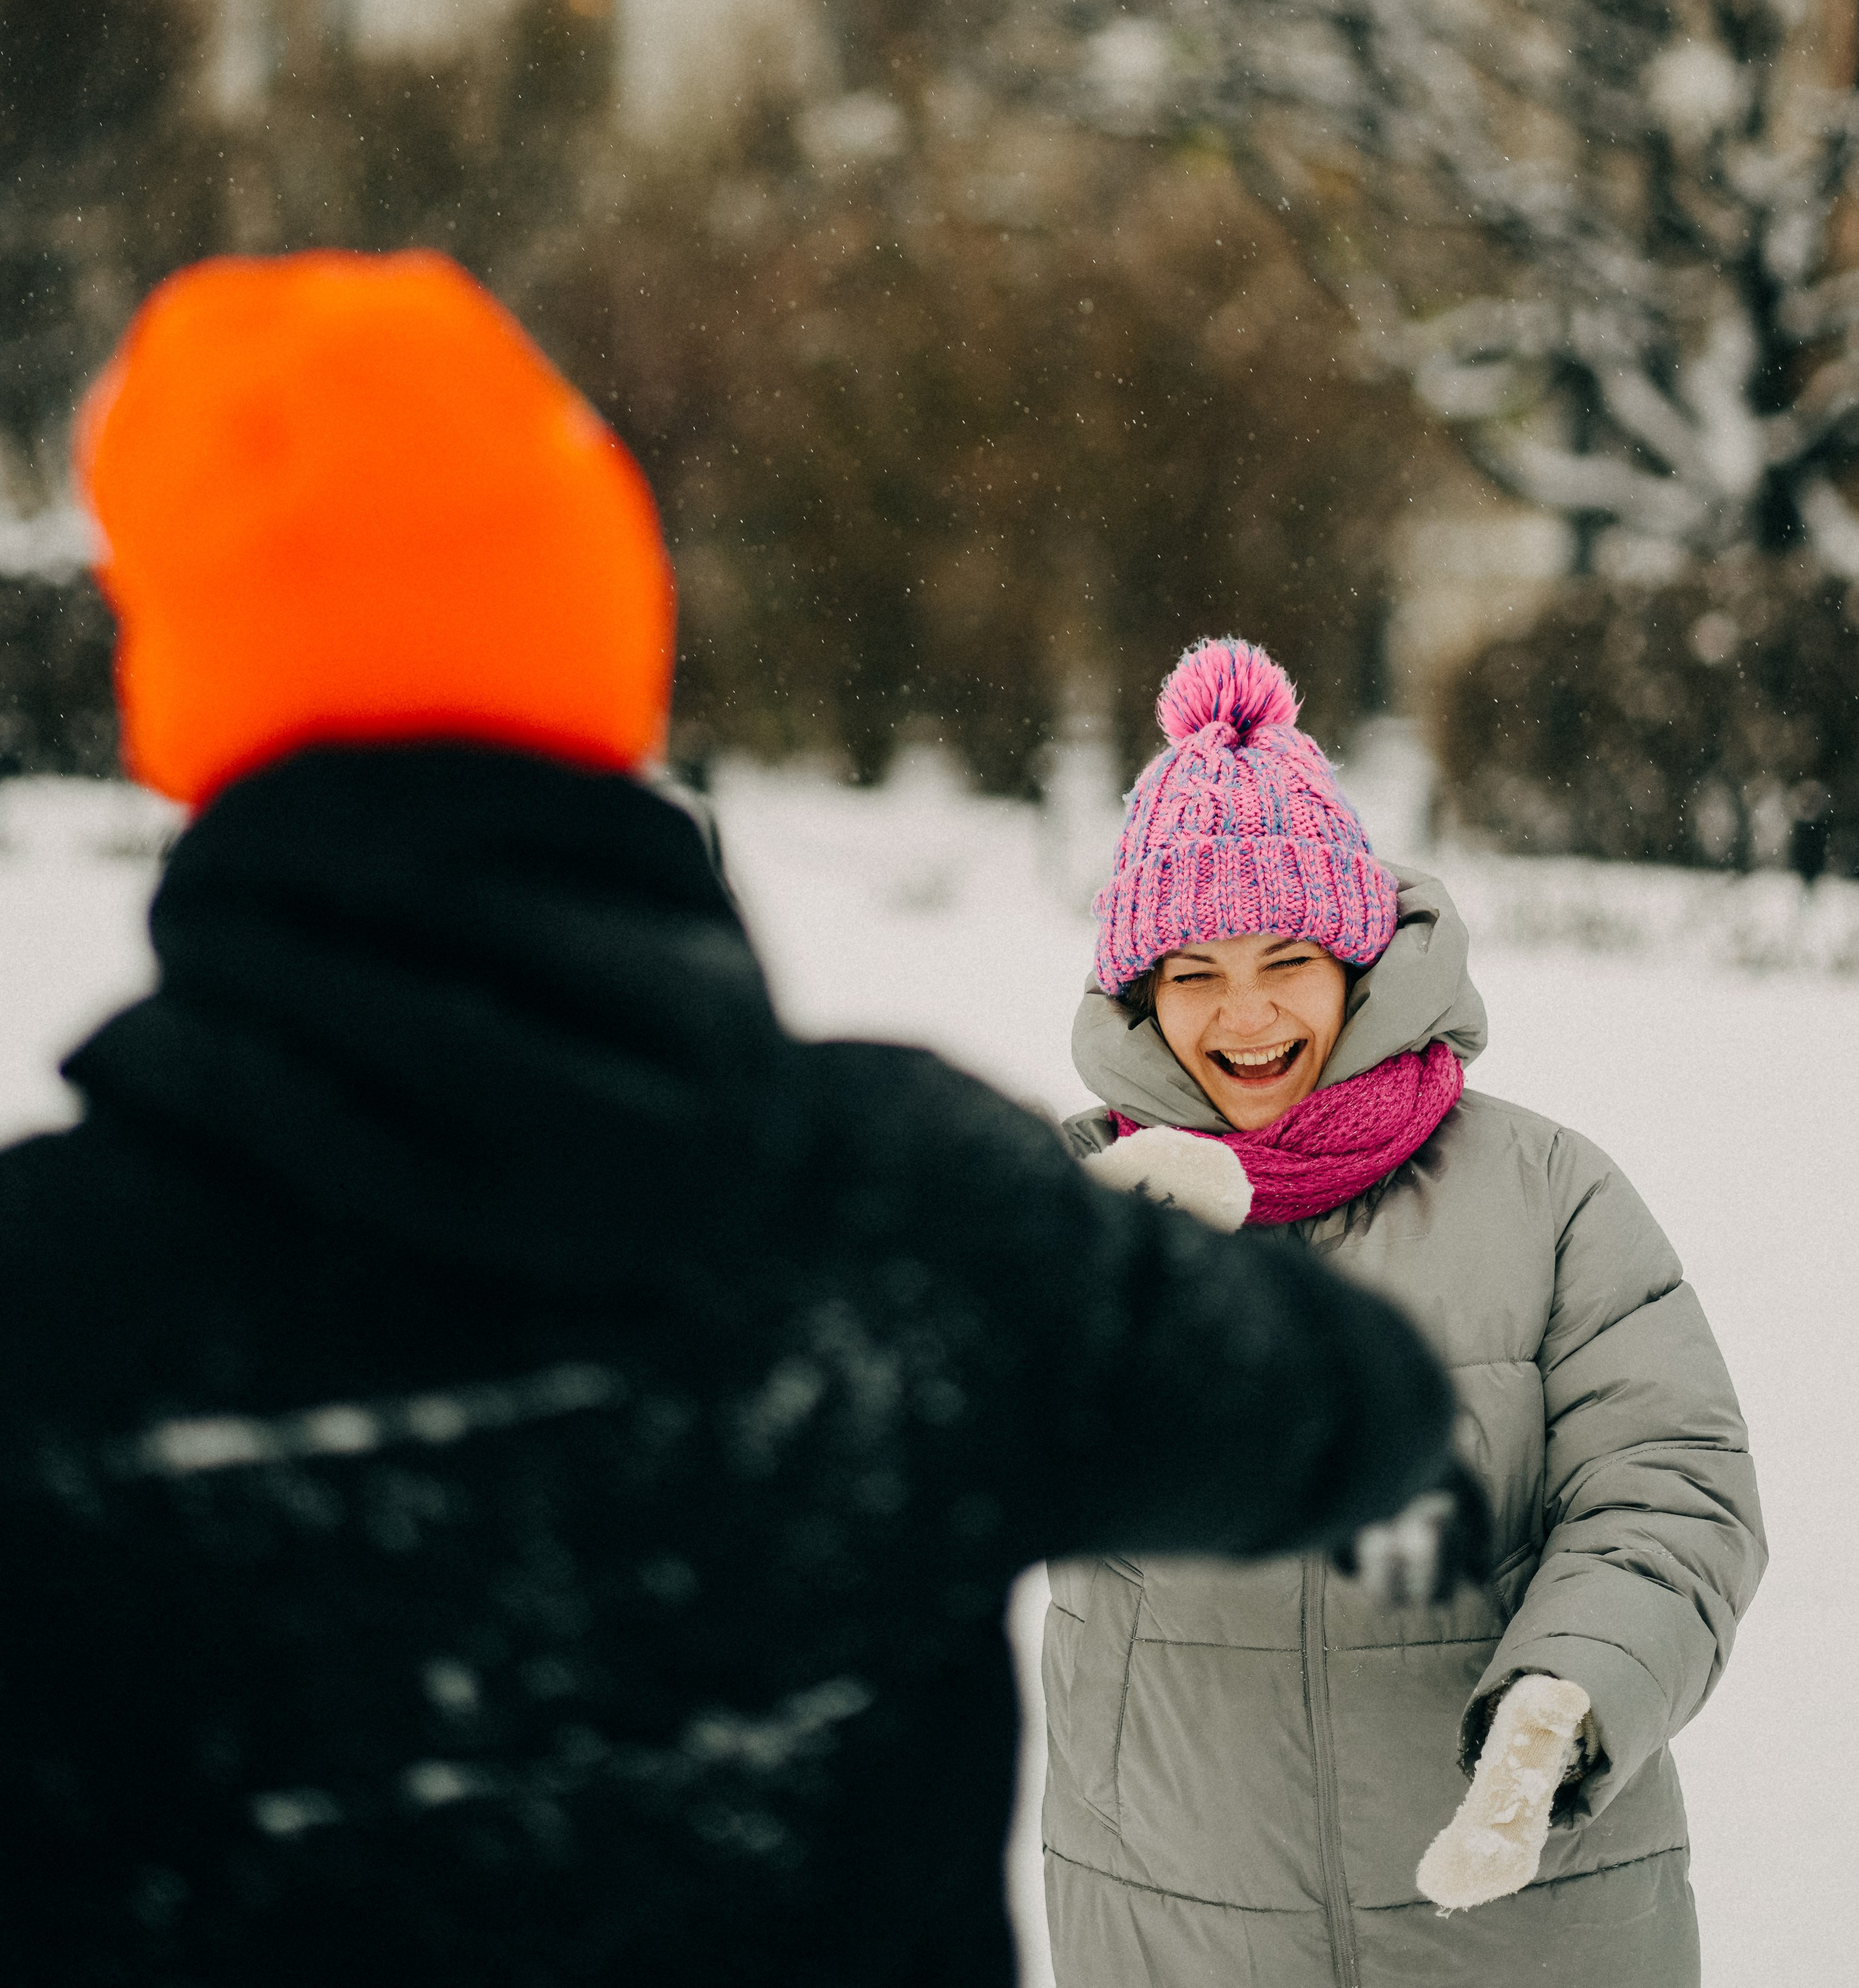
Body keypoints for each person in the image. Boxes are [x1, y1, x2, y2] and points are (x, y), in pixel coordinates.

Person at [0, 253, 1470, 1988]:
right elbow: (1355, 1411)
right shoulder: (921, 1227)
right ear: (608, 654)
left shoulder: (50, 1325)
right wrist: (1094, 1268)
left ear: (177, 705)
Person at [1044, 636, 1767, 1988]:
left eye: (1287, 959)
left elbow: (1670, 1488)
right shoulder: (1079, 1212)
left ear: (1360, 961)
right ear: (1141, 997)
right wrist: (1066, 1292)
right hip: (1180, 1923)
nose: (1245, 1016)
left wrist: (1567, 1697)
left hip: (1521, 1919)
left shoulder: (1547, 1191)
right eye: (1193, 973)